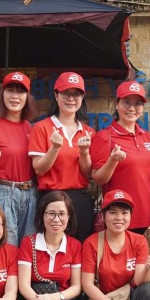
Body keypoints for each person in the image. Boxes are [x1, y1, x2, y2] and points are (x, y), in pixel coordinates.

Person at [18, 191, 95, 300]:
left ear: (69, 217)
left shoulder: (74, 245)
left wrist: (56, 297)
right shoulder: (29, 243)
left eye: (62, 214)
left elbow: (77, 287)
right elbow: (23, 285)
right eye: (51, 213)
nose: (56, 219)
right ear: (42, 215)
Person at [92, 81, 150, 232]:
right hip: (120, 220)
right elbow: (98, 179)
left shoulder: (146, 136)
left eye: (137, 104)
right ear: (117, 104)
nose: (132, 108)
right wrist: (113, 161)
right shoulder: (105, 136)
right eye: (126, 102)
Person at [29, 72, 96, 243]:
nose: (71, 99)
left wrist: (84, 152)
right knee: (52, 247)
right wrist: (55, 148)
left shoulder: (88, 132)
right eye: (66, 93)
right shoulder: (42, 128)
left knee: (81, 248)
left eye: (76, 94)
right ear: (56, 95)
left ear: (82, 97)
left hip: (80, 199)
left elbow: (88, 173)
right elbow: (39, 168)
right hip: (51, 198)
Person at [0, 72, 38, 246]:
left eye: (20, 92)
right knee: (6, 249)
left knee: (29, 249)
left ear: (27, 97)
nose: (14, 96)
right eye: (10, 90)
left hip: (30, 194)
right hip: (2, 193)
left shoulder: (33, 129)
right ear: (2, 94)